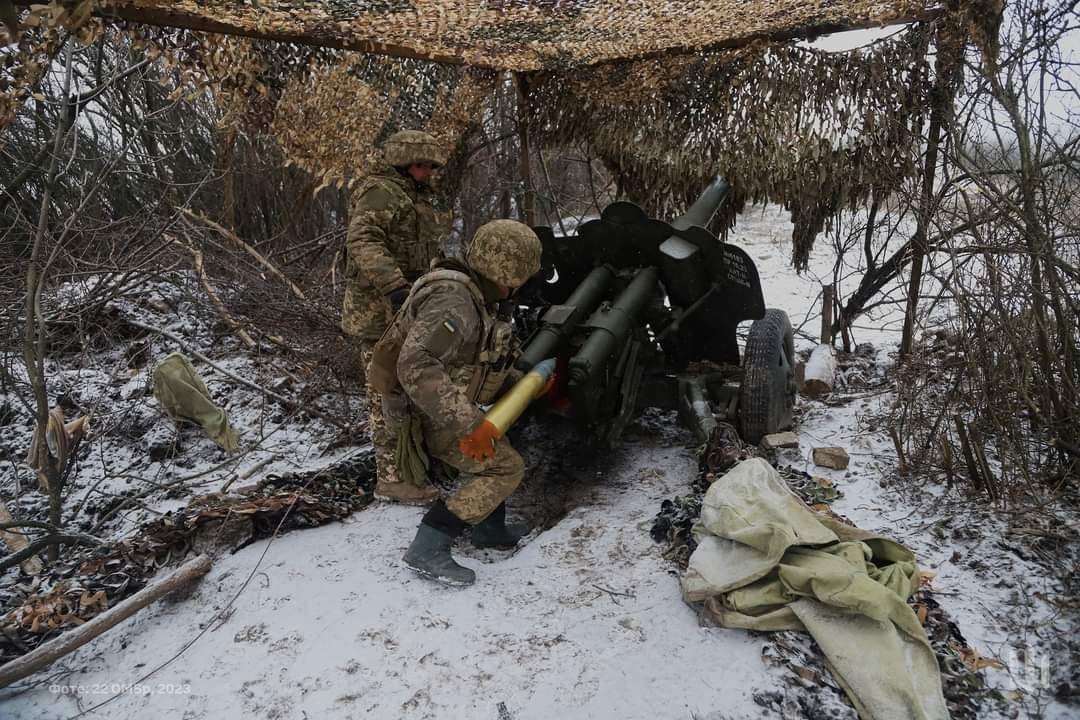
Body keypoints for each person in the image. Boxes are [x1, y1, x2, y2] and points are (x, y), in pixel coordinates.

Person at [373, 219, 542, 586]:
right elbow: (415, 366)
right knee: (504, 467)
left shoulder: (475, 296)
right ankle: (429, 544)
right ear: (507, 272)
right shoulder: (455, 301)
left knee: (497, 448)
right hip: (423, 414)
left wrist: (521, 384)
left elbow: (475, 362)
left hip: (437, 405)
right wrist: (471, 424)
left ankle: (487, 528)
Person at [341, 129, 449, 505]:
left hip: (409, 310)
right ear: (402, 162)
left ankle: (417, 463)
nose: (426, 173)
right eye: (421, 165)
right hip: (378, 314)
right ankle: (392, 479)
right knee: (385, 395)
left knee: (415, 387)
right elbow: (362, 240)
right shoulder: (380, 191)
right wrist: (395, 286)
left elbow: (422, 248)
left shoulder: (415, 195)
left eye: (429, 167)